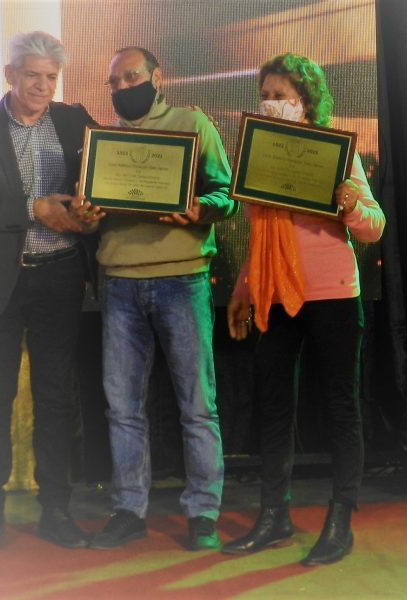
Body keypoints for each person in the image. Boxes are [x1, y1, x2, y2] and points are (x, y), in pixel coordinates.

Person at [221, 53, 385, 566]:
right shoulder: (258, 153)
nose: (271, 103)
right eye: (265, 95)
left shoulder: (335, 151)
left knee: (340, 406)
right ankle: (274, 515)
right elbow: (257, 233)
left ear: (305, 101)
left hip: (333, 293)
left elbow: (374, 225)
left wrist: (351, 205)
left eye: (281, 96)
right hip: (273, 294)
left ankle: (340, 518)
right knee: (273, 406)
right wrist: (243, 288)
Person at [76, 46, 237, 551]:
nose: (123, 87)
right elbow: (89, 215)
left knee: (198, 405)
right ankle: (129, 509)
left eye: (132, 77)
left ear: (156, 77)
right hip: (119, 282)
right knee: (122, 407)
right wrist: (85, 214)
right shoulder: (102, 142)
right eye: (115, 82)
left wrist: (199, 208)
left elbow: (226, 195)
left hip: (183, 279)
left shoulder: (193, 123)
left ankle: (203, 512)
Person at [0, 31, 96, 552]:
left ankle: (56, 511)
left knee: (56, 400)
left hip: (58, 278)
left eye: (51, 77)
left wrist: (92, 212)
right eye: (32, 75)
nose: (42, 86)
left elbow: (98, 186)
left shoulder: (75, 122)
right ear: (10, 75)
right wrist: (33, 208)